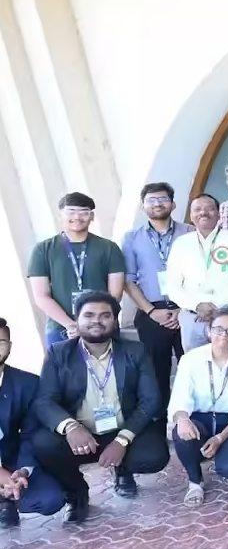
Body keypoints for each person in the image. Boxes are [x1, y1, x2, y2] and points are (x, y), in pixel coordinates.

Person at [33, 293, 169, 522]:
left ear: (115, 321)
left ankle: (123, 470)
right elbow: (44, 400)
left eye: (105, 315)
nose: (97, 321)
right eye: (89, 315)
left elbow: (151, 400)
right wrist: (70, 428)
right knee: (43, 444)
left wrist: (122, 440)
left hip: (122, 429)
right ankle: (77, 493)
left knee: (154, 455)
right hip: (82, 435)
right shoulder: (59, 353)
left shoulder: (135, 350)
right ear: (76, 320)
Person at [168, 307, 228, 506]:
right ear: (208, 331)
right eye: (218, 329)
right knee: (182, 433)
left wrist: (220, 438)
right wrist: (182, 419)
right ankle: (195, 481)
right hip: (200, 419)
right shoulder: (191, 359)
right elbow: (180, 397)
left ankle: (219, 451)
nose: (223, 335)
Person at [121, 183, 194, 402]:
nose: (157, 204)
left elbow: (199, 275)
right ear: (143, 207)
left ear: (172, 204)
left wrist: (183, 309)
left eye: (162, 199)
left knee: (192, 367)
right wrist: (152, 311)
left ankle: (195, 424)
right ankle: (159, 426)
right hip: (151, 312)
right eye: (151, 200)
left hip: (188, 310)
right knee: (156, 372)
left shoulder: (189, 232)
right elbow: (128, 280)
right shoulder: (131, 238)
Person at [28, 192, 125, 347]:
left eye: (84, 212)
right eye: (71, 212)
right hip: (61, 329)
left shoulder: (109, 248)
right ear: (60, 215)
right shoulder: (43, 249)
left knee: (108, 370)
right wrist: (71, 325)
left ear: (92, 216)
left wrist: (92, 323)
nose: (77, 217)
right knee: (64, 371)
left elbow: (115, 294)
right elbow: (41, 296)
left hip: (102, 327)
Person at [0, 318, 66, 527]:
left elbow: (31, 433)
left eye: (0, 342)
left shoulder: (27, 383)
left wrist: (21, 471)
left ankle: (9, 498)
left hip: (10, 461)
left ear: (9, 347)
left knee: (50, 498)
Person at [166, 193, 228, 351]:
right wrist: (197, 305)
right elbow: (173, 286)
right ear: (191, 215)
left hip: (227, 315)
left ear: (219, 214)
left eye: (209, 209)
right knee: (196, 367)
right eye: (197, 209)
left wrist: (216, 306)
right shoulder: (181, 244)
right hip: (193, 318)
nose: (203, 213)